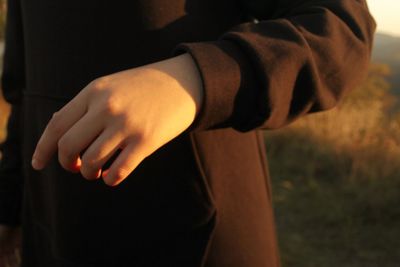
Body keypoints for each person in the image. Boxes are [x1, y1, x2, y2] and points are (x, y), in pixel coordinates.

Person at [0, 0, 375, 266]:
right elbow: (22, 87)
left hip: (197, 236)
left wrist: (195, 79)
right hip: (54, 229)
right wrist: (10, 205)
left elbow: (342, 29)